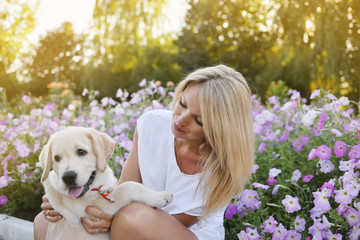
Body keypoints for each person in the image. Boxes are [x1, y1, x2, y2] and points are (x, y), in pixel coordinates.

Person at [34, 64, 255, 240]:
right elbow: (121, 191)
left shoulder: (223, 165)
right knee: (45, 223)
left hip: (185, 233)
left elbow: (169, 224)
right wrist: (70, 206)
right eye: (182, 103)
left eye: (198, 120)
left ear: (221, 128)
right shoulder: (152, 124)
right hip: (131, 219)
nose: (180, 119)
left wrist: (107, 219)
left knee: (130, 219)